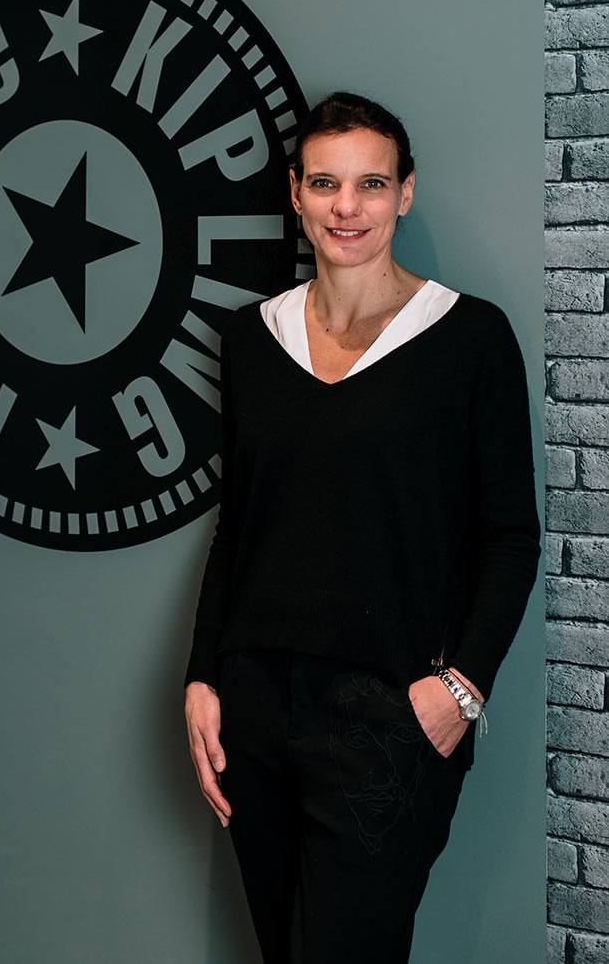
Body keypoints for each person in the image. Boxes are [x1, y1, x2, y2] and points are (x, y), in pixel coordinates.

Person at [183, 92, 540, 963]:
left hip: (388, 716)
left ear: (405, 193)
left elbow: (509, 536)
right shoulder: (251, 338)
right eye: (326, 184)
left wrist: (460, 693)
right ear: (295, 193)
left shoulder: (470, 337)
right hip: (254, 706)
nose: (348, 207)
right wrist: (202, 676)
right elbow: (240, 523)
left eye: (371, 184)